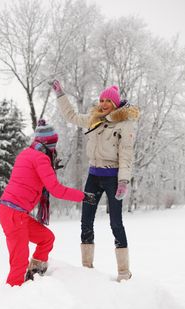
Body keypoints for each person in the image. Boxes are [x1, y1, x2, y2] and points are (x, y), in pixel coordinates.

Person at [50, 80, 140, 282]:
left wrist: (123, 181)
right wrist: (60, 95)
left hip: (113, 178)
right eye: (101, 99)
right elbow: (71, 116)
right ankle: (87, 269)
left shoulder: (125, 125)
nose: (103, 103)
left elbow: (126, 154)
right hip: (93, 177)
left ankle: (124, 273)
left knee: (116, 223)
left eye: (108, 100)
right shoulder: (94, 119)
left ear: (115, 103)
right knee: (86, 222)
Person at [0, 119, 95, 286]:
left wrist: (50, 167)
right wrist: (83, 196)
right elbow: (55, 189)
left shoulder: (27, 153)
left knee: (46, 238)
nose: (54, 149)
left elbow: (32, 176)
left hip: (13, 212)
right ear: (48, 144)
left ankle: (34, 275)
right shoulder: (41, 159)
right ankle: (12, 298)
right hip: (14, 214)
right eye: (53, 145)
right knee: (18, 263)